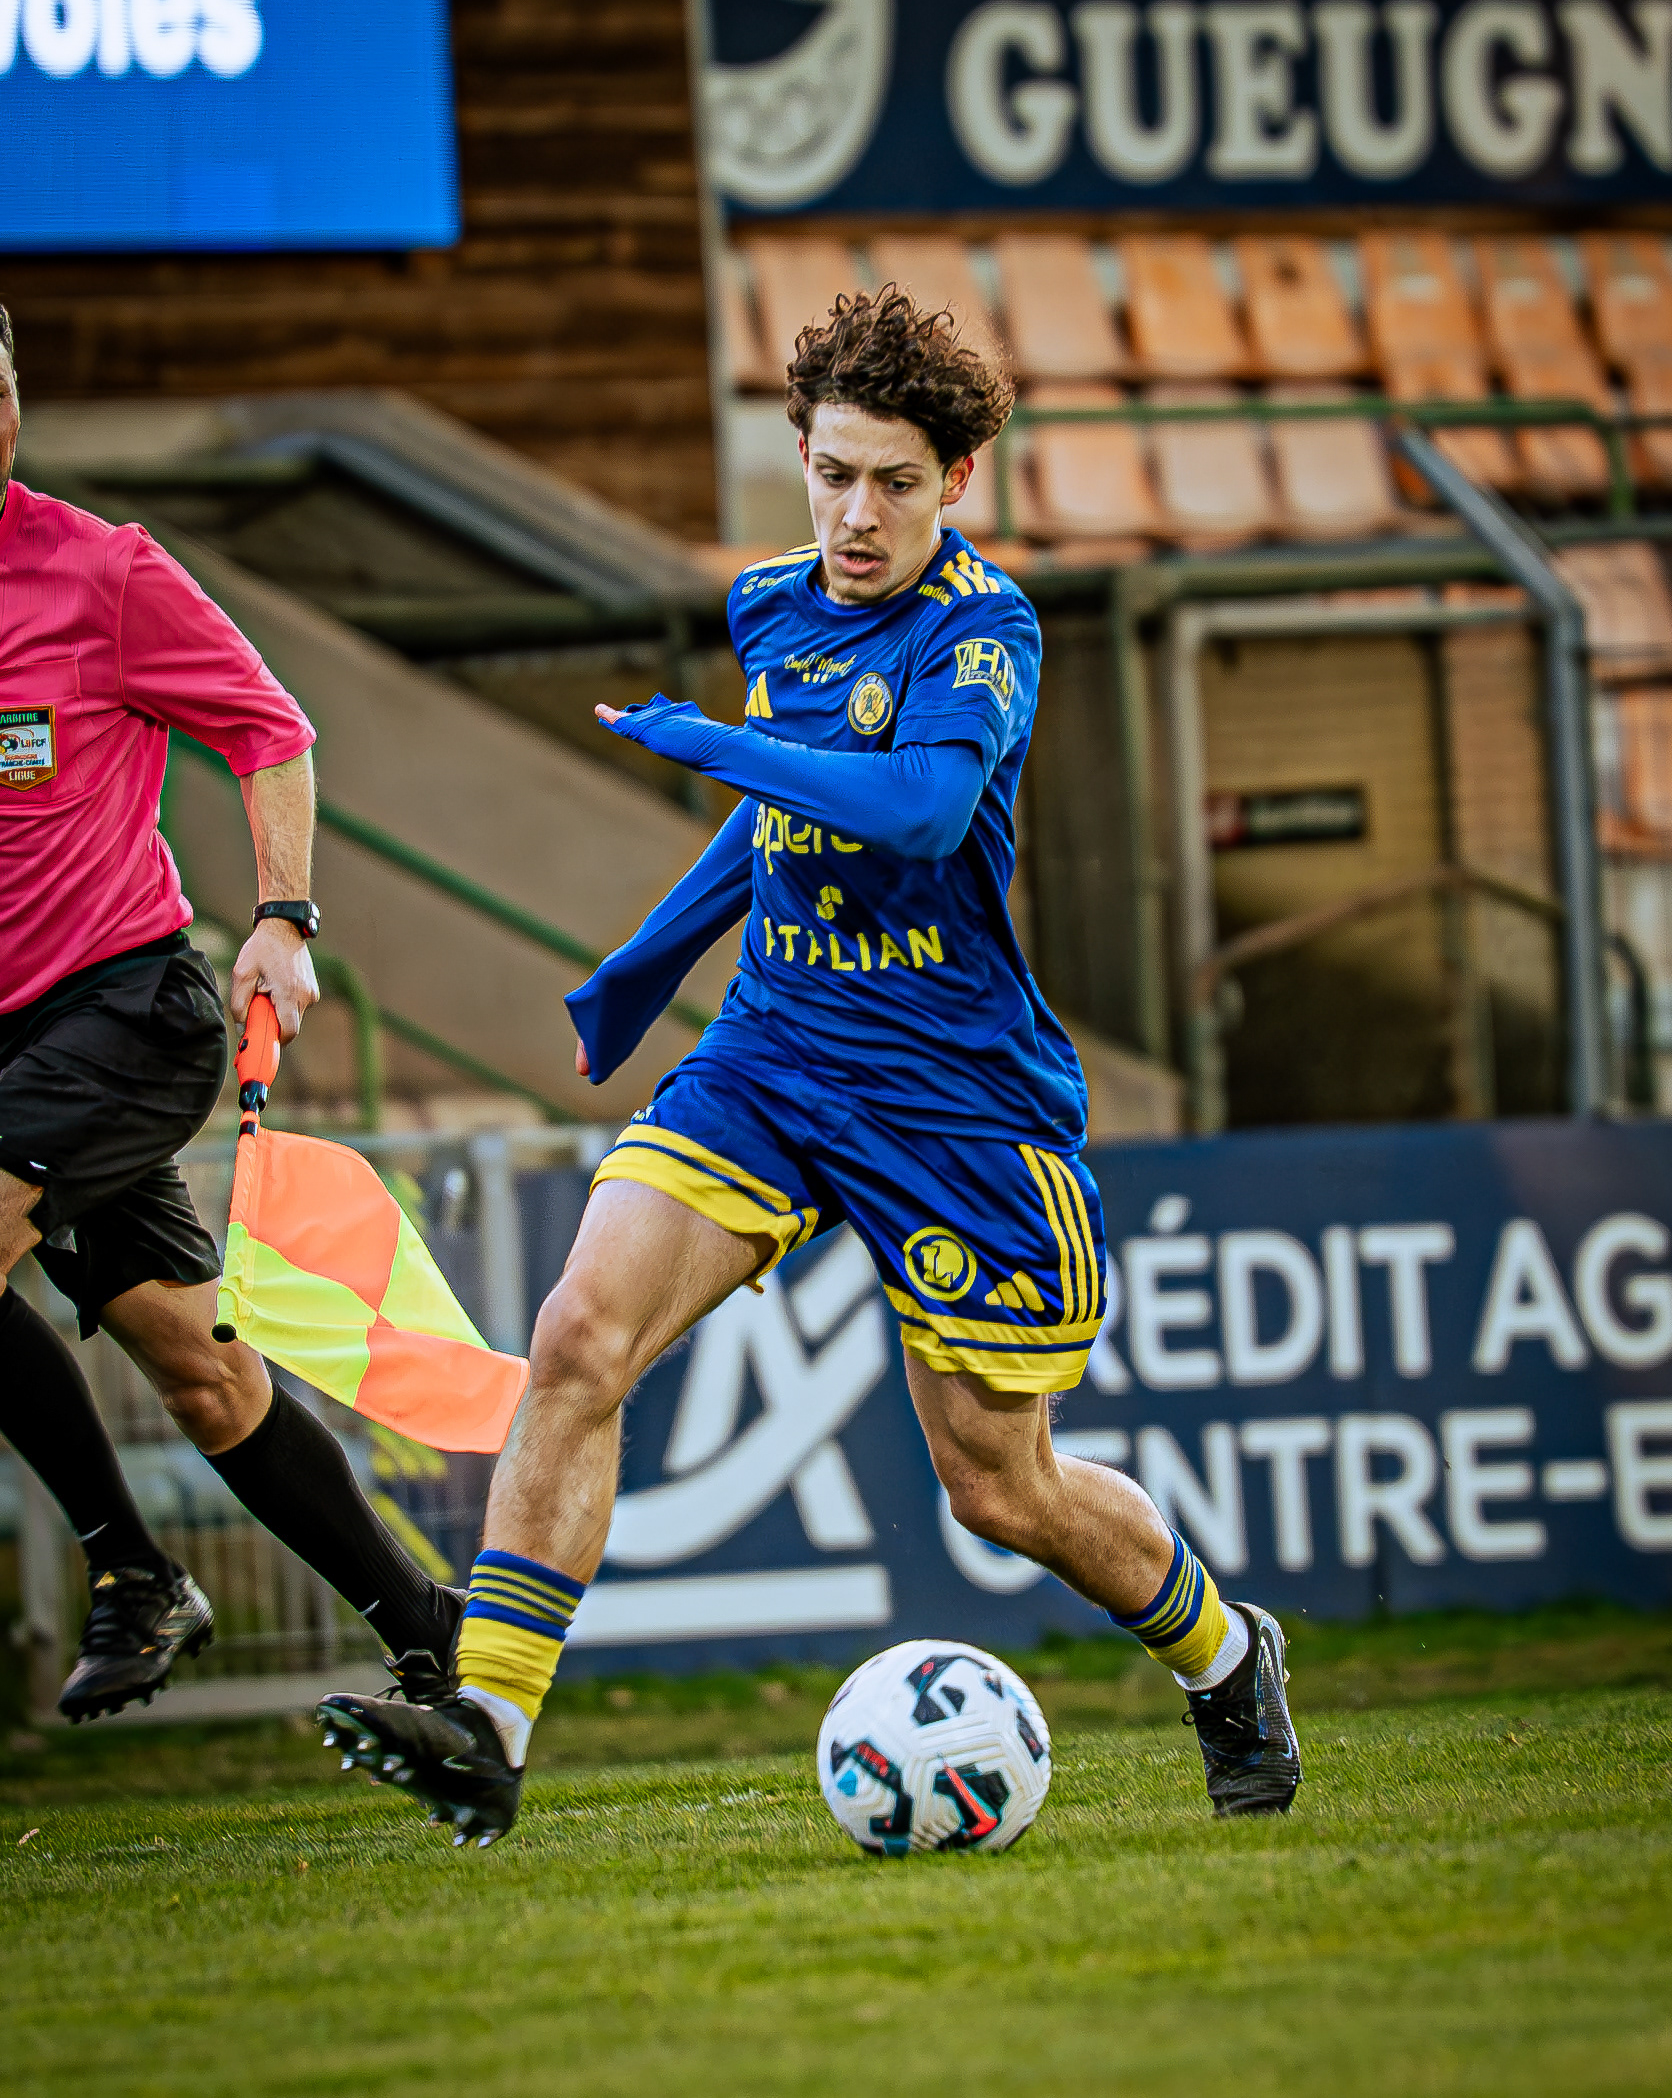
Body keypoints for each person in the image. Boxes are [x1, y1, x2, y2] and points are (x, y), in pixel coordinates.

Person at [318, 288, 1300, 1844]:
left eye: (894, 484)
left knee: (999, 1486)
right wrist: (648, 961)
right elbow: (780, 812)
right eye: (832, 474)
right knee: (577, 1336)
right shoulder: (774, 604)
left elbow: (913, 808)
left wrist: (710, 740)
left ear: (954, 481)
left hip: (953, 1095)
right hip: (774, 1050)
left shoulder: (983, 630)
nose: (855, 516)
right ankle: (486, 1724)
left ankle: (1228, 1658)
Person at [0, 305, 461, 1720]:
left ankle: (131, 1573)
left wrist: (284, 919)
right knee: (201, 1372)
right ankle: (432, 1632)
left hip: (125, 1012)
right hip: (15, 1058)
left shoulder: (102, 572)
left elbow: (271, 729)